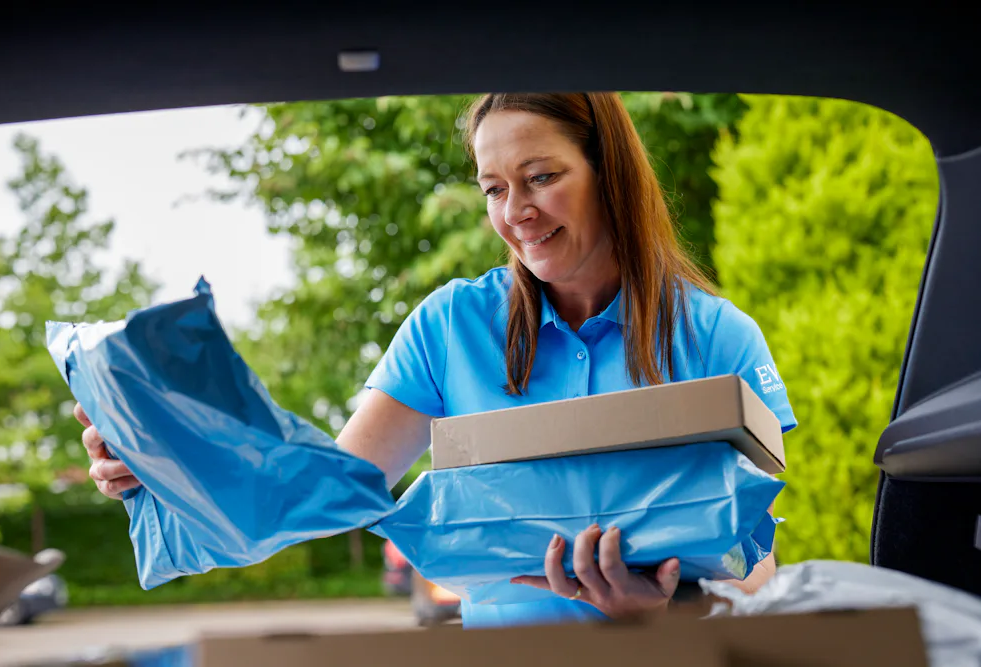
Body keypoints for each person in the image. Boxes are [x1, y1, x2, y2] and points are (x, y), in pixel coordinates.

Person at [75, 92, 796, 629]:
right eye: (494, 189)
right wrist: (168, 465)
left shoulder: (718, 336)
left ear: (609, 172)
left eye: (541, 176)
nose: (515, 211)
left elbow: (758, 569)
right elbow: (323, 494)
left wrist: (666, 609)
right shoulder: (451, 327)